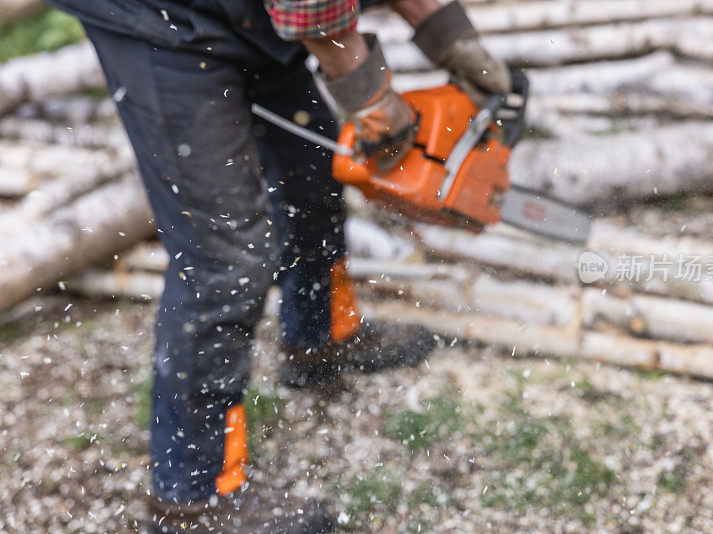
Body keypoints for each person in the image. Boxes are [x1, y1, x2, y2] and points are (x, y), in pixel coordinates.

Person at [44, 0, 510, 531]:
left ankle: (318, 337)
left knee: (310, 172)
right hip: (163, 19)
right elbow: (309, 7)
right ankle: (193, 497)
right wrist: (370, 97)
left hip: (253, 15)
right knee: (223, 255)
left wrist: (448, 33)